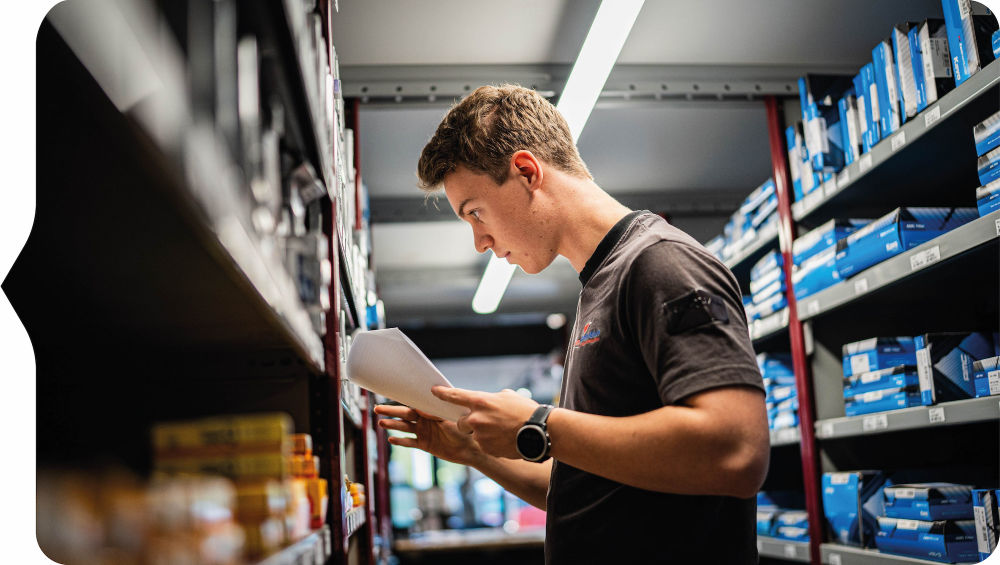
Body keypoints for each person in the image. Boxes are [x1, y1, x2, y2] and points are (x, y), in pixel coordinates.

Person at [374, 84, 769, 563]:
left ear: (526, 171)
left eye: (475, 212)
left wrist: (541, 423)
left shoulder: (660, 263)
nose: (479, 241)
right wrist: (477, 450)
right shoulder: (597, 288)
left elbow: (738, 452)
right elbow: (589, 490)